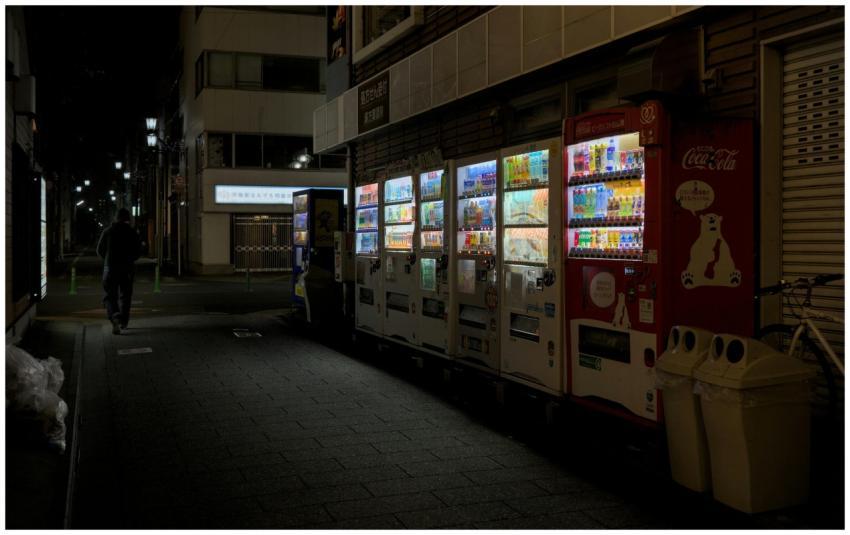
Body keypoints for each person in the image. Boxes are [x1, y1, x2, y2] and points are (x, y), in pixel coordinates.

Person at [96, 208, 141, 334]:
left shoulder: (108, 231)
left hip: (110, 268)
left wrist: (108, 260)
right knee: (125, 296)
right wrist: (130, 259)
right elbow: (138, 252)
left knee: (110, 295)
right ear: (128, 218)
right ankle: (124, 322)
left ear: (115, 218)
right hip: (127, 269)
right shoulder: (132, 233)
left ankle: (114, 316)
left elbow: (99, 250)